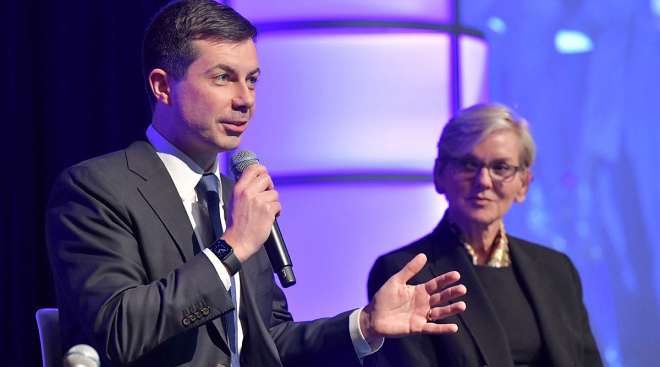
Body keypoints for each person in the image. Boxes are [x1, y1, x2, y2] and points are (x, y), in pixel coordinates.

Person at [45, 1, 467, 366]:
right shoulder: (96, 188)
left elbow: (270, 343)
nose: (245, 99)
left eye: (252, 79)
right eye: (223, 77)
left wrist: (364, 324)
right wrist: (233, 248)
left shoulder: (236, 197)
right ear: (162, 87)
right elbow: (115, 332)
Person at [367, 103, 603, 367]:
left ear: (523, 184)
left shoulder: (557, 269)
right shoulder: (404, 273)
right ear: (439, 174)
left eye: (501, 167)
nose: (484, 181)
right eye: (469, 164)